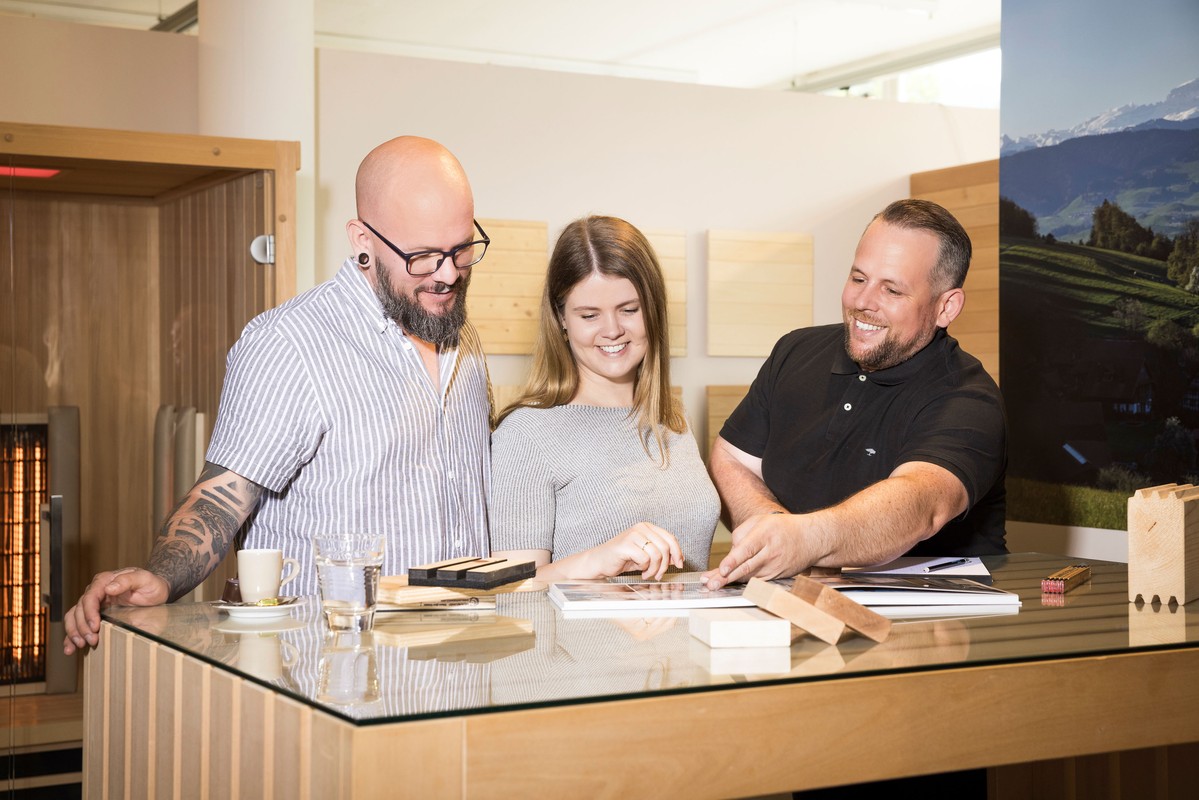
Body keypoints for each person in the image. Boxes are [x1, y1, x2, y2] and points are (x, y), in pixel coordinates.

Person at [64, 136, 493, 654]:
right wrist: (160, 576)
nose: (448, 274)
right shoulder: (288, 344)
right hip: (329, 673)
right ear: (362, 239)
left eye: (461, 249)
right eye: (422, 256)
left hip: (464, 663)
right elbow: (219, 499)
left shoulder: (462, 339)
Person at [703, 198, 1006, 591]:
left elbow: (918, 506)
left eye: (892, 290)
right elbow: (730, 459)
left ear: (946, 307)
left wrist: (804, 541)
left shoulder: (970, 399)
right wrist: (774, 530)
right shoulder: (794, 350)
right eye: (859, 279)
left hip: (932, 620)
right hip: (793, 604)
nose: (862, 303)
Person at [490, 215, 719, 581]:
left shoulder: (673, 418)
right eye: (589, 315)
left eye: (629, 310)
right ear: (561, 318)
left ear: (653, 310)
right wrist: (596, 561)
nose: (612, 330)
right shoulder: (525, 435)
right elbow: (509, 590)